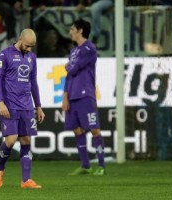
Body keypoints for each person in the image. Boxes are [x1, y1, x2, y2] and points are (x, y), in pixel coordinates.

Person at [0, 28, 45, 189]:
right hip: (9, 104)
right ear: (20, 39)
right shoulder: (5, 54)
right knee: (10, 139)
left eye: (32, 47)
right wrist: (0, 102)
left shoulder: (32, 57)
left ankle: (26, 180)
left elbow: (33, 83)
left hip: (27, 105)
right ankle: (0, 169)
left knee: (26, 140)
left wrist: (39, 106)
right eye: (28, 46)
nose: (29, 49)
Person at [62, 19, 106, 176]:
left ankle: (101, 165)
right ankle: (86, 165)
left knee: (94, 129)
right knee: (77, 130)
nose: (70, 32)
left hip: (85, 95)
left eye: (72, 29)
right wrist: (65, 96)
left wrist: (68, 67)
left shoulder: (89, 48)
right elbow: (68, 75)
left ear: (80, 31)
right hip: (72, 95)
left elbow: (73, 69)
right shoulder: (73, 51)